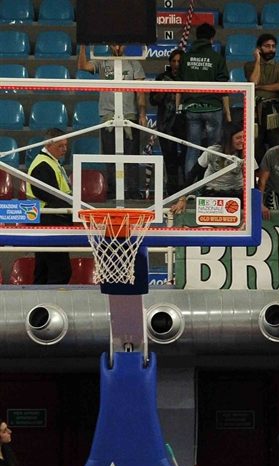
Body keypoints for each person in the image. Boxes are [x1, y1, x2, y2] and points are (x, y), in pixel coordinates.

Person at [76, 42, 147, 197]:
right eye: (115, 45)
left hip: (129, 116)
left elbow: (140, 92)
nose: (117, 48)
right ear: (109, 46)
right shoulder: (103, 62)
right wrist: (83, 47)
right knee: (110, 158)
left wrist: (142, 114)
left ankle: (133, 192)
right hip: (108, 117)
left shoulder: (134, 63)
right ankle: (113, 192)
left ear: (125, 46)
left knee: (132, 158)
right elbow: (83, 66)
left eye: (120, 46)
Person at [178, 24, 231, 181]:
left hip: (192, 108)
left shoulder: (186, 58)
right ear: (212, 38)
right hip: (213, 107)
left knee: (192, 148)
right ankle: (212, 185)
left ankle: (189, 188)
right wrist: (227, 112)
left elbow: (179, 84)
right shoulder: (217, 58)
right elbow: (223, 85)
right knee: (213, 150)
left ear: (197, 36)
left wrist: (178, 107)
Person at [26, 129, 72, 284]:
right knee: (60, 271)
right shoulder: (42, 165)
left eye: (66, 145)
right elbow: (50, 196)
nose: (64, 149)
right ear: (48, 145)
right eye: (60, 146)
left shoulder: (52, 162)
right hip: (48, 220)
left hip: (49, 219)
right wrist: (73, 210)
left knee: (44, 270)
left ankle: (39, 298)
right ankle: (52, 299)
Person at [245, 34, 279, 163]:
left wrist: (259, 87)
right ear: (259, 48)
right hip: (255, 112)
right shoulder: (249, 65)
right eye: (267, 46)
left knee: (277, 144)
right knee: (256, 146)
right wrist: (258, 60)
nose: (271, 49)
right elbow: (253, 81)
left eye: (273, 46)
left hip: (274, 110)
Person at [151, 49, 186, 193]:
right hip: (166, 124)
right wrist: (163, 91)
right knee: (169, 159)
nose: (176, 64)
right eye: (174, 61)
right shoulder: (162, 78)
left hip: (185, 124)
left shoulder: (188, 78)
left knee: (186, 157)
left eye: (179, 61)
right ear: (170, 62)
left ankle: (186, 189)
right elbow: (153, 100)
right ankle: (172, 191)